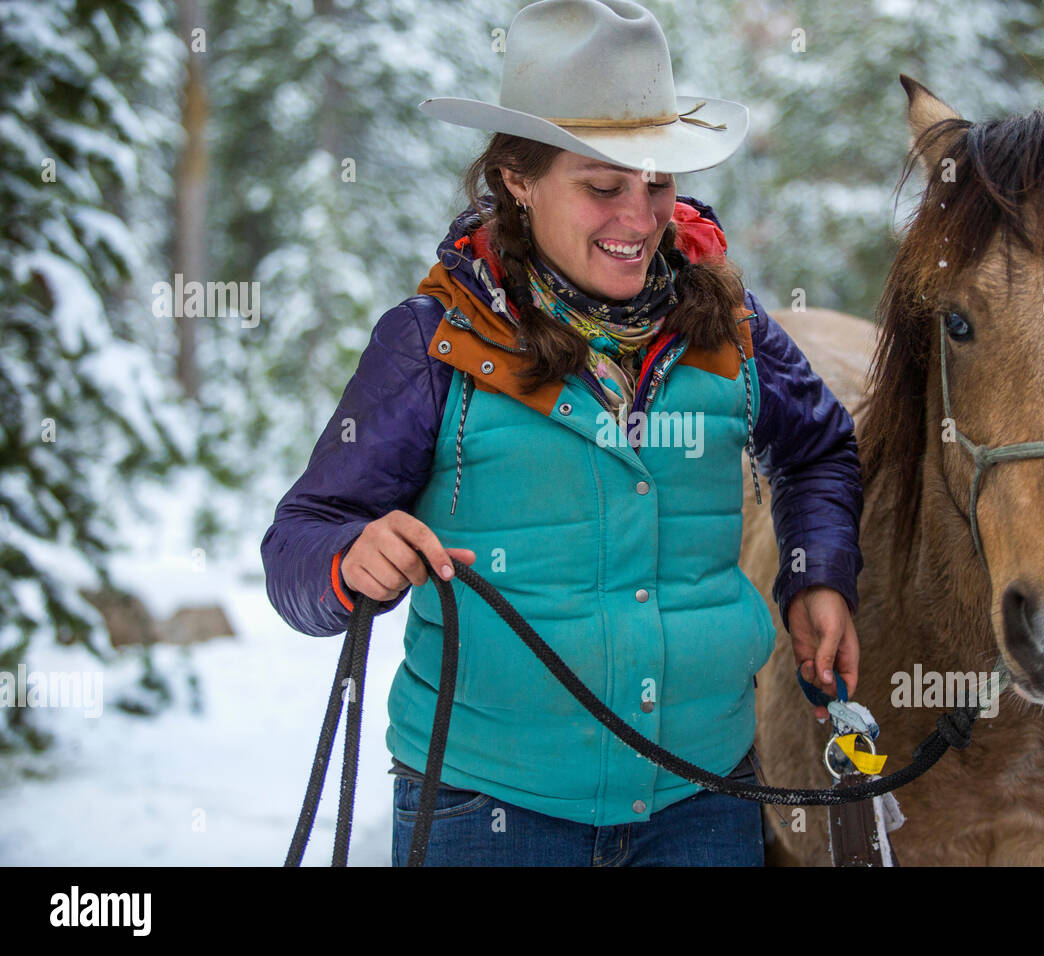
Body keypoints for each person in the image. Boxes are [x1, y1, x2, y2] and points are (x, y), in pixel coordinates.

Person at [261, 0, 864, 867]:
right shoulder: (433, 340)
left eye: (657, 183)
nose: (640, 217)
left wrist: (817, 574)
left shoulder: (729, 324)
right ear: (518, 176)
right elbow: (299, 540)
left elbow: (817, 451)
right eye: (602, 185)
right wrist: (348, 559)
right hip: (485, 812)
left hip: (704, 804)